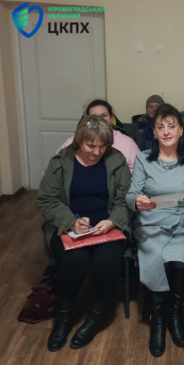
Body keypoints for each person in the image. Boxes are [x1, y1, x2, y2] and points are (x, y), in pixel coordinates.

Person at [37, 115, 131, 352]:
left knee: (107, 260)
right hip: (70, 227)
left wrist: (112, 221)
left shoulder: (116, 160)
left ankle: (94, 319)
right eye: (91, 146)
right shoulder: (60, 163)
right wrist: (70, 222)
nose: (97, 152)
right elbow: (46, 200)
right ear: (79, 141)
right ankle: (63, 320)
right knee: (75, 260)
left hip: (107, 227)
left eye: (103, 146)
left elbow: (125, 199)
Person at [125, 104, 184, 357]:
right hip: (150, 223)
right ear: (154, 133)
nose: (166, 131)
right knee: (157, 256)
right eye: (161, 127)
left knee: (180, 258)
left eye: (171, 126)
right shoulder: (143, 159)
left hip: (179, 223)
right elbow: (131, 195)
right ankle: (157, 318)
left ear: (180, 131)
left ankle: (174, 314)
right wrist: (137, 201)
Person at [59, 99, 140, 173]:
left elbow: (139, 170)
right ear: (87, 120)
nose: (100, 120)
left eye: (104, 115)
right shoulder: (73, 141)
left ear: (111, 118)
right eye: (94, 117)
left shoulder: (128, 142)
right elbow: (58, 165)